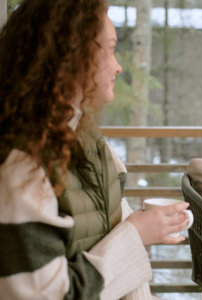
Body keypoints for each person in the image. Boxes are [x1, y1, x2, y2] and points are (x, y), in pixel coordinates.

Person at [0, 1, 190, 299]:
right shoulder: (21, 163)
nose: (118, 66)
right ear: (72, 52)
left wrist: (139, 232)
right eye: (111, 48)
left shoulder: (91, 143)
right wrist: (137, 235)